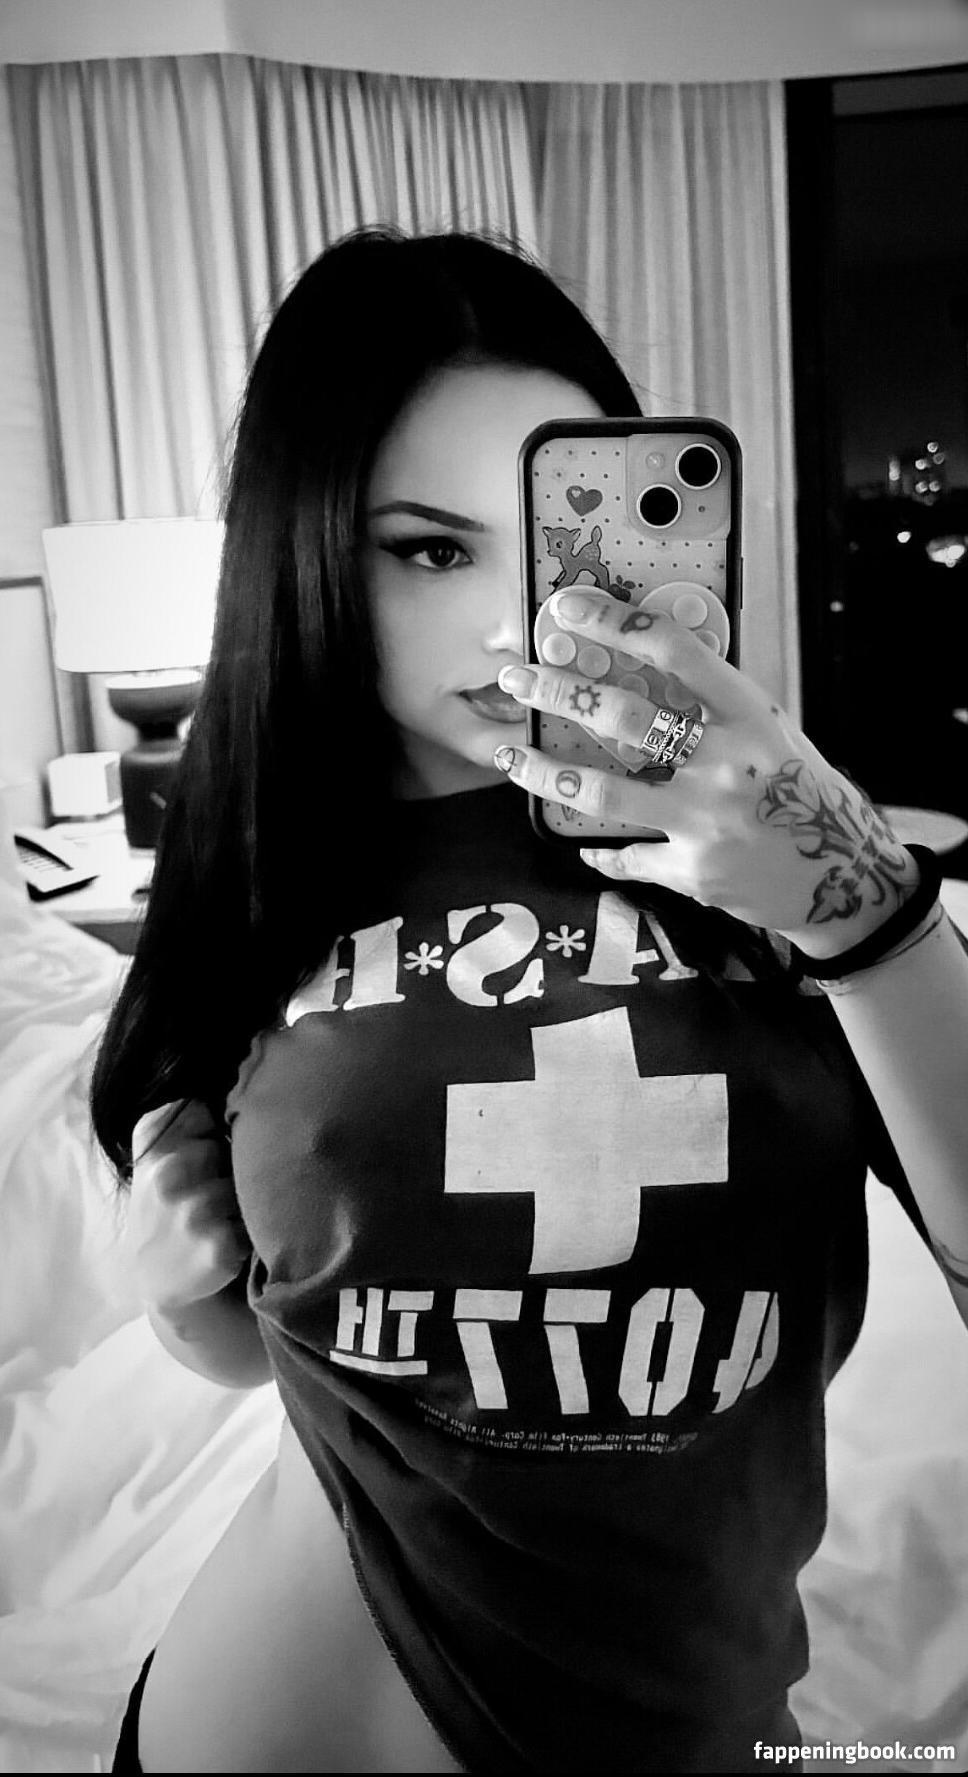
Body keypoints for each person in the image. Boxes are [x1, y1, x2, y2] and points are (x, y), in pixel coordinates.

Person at [92, 226, 968, 1775]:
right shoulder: (259, 872)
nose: (516, 622)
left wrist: (866, 911)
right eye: (429, 550)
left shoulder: (764, 854)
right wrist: (171, 1297)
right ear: (307, 553)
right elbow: (281, 1334)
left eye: (557, 543)